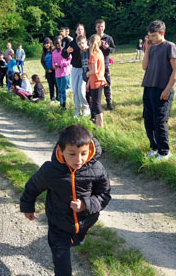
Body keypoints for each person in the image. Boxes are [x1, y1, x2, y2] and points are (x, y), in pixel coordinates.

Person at [20, 124, 111, 276]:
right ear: (61, 151)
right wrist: (28, 207)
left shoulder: (97, 169)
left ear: (89, 149)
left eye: (83, 153)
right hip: (58, 223)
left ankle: (79, 237)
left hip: (86, 220)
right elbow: (32, 187)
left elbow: (105, 194)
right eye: (72, 154)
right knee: (62, 262)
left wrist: (85, 205)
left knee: (77, 239)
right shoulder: (50, 171)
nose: (79, 159)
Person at [142, 20, 176, 161]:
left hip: (162, 89)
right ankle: (154, 147)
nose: (150, 38)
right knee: (148, 119)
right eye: (149, 35)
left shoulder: (170, 46)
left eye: (153, 35)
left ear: (161, 33)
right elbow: (144, 67)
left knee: (159, 121)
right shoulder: (151, 48)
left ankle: (164, 152)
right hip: (149, 87)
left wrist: (167, 89)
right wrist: (147, 49)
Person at [63, 24, 90, 117]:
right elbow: (64, 54)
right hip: (74, 68)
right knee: (75, 90)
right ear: (76, 31)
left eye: (81, 29)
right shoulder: (72, 42)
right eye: (78, 29)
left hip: (84, 69)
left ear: (84, 31)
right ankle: (78, 110)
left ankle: (86, 108)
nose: (80, 31)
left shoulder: (87, 42)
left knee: (81, 90)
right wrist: (67, 51)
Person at [95, 19, 116, 111]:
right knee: (96, 84)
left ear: (104, 27)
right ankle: (95, 102)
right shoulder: (93, 38)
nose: (100, 28)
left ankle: (109, 102)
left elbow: (113, 49)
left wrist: (107, 48)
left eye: (102, 26)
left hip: (105, 64)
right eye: (98, 26)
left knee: (107, 83)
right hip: (95, 65)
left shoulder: (108, 38)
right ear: (96, 28)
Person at [86, 34, 106, 127]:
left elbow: (95, 70)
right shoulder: (100, 52)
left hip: (96, 81)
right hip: (98, 80)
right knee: (95, 103)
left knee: (96, 104)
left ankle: (100, 125)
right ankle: (98, 124)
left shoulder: (93, 54)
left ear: (90, 42)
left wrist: (88, 73)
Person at [53, 37, 72, 110]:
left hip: (65, 73)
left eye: (58, 43)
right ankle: (60, 103)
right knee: (59, 89)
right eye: (56, 44)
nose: (57, 45)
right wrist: (55, 65)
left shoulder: (65, 50)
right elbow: (53, 62)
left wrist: (62, 64)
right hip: (57, 73)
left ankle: (64, 105)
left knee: (63, 89)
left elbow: (69, 60)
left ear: (61, 43)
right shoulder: (54, 52)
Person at [41, 37, 58, 102]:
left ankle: (57, 98)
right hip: (48, 71)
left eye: (48, 43)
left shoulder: (54, 50)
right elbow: (42, 62)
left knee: (56, 85)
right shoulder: (44, 52)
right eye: (45, 44)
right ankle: (52, 98)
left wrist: (52, 68)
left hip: (55, 71)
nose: (47, 45)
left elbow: (56, 60)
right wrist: (47, 69)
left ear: (51, 43)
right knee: (50, 85)